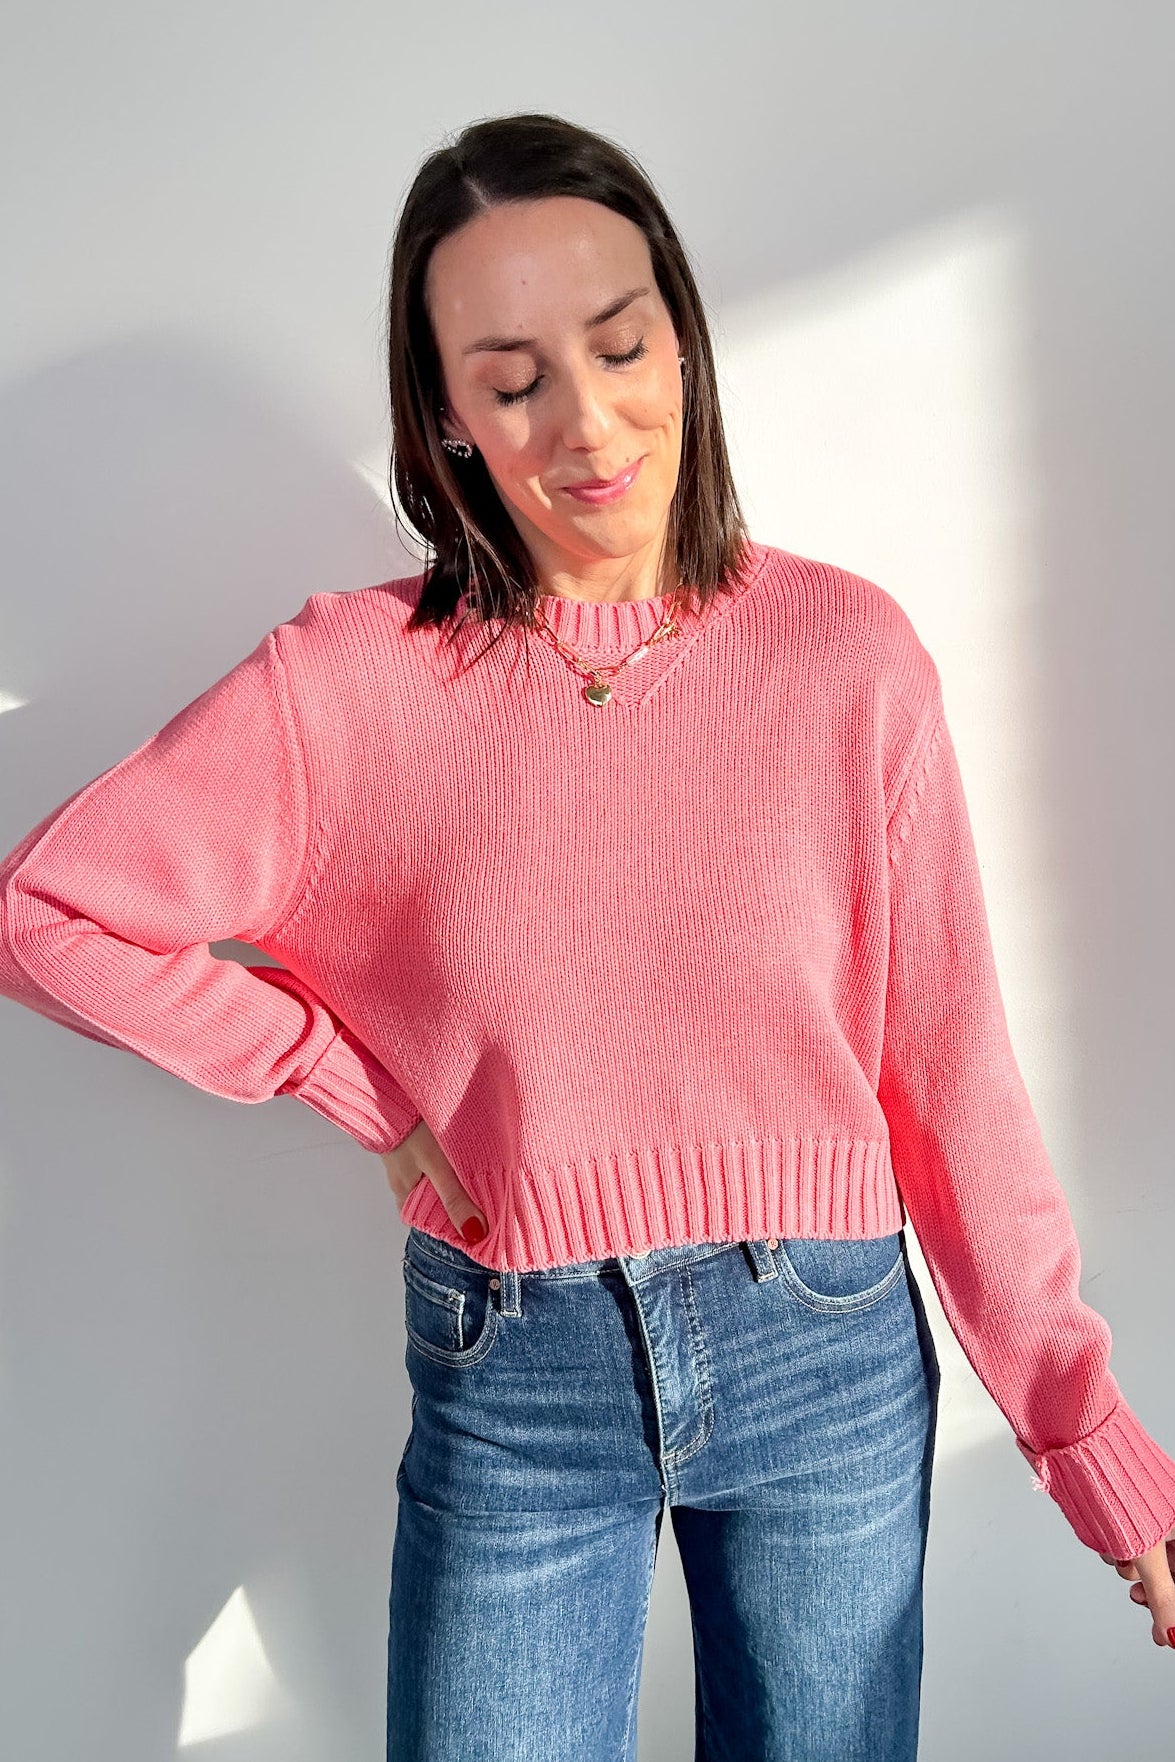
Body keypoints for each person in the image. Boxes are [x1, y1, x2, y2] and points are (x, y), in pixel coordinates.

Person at [1, 110, 1173, 1760]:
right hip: (515, 1367)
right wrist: (357, 1089)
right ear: (448, 418)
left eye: (621, 346)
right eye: (509, 377)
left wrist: (1085, 1432)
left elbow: (951, 1082)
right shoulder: (354, 690)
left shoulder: (848, 662)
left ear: (682, 333)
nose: (589, 422)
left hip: (826, 1351)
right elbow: (50, 912)